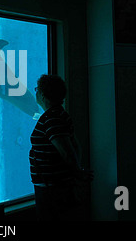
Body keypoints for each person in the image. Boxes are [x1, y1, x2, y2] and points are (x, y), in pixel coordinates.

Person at [29, 74, 93, 220]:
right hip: (56, 185)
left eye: (37, 89)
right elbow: (76, 146)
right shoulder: (60, 115)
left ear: (44, 95)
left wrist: (77, 173)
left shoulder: (52, 119)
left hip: (52, 189)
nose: (36, 92)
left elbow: (66, 150)